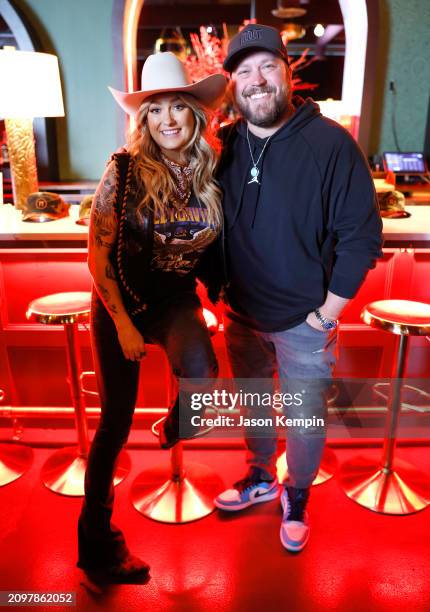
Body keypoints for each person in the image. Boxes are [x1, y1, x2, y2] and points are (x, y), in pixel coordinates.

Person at [214, 24, 383, 552]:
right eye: (243, 71)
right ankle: (261, 476)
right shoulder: (223, 144)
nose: (256, 80)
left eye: (267, 66)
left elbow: (361, 236)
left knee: (306, 419)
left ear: (288, 74)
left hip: (304, 322)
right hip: (242, 316)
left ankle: (298, 492)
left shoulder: (330, 143)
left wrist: (327, 314)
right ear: (232, 85)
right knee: (256, 406)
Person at [77, 51, 227, 580]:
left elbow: (219, 249)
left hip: (175, 300)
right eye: (155, 109)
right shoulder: (122, 171)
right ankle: (97, 549)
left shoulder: (214, 172)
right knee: (114, 425)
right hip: (123, 300)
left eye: (177, 108)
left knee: (204, 382)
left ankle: (172, 428)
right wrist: (121, 324)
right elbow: (96, 259)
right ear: (144, 118)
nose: (167, 119)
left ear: (194, 114)